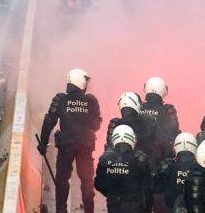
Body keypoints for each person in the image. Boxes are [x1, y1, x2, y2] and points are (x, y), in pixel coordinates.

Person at [37, 68, 103, 213]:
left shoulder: (61, 99)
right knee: (86, 179)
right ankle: (89, 210)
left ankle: (61, 210)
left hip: (66, 145)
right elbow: (96, 125)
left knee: (62, 178)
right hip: (85, 145)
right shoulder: (91, 101)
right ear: (81, 82)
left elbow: (49, 121)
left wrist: (43, 143)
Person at [94, 125, 153, 213]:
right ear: (132, 139)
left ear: (114, 139)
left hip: (113, 205)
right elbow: (147, 187)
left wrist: (112, 195)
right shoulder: (139, 158)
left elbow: (98, 184)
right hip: (135, 206)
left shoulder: (105, 158)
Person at [154, 133, 198, 213]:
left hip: (170, 208)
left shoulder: (166, 165)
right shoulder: (200, 168)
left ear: (175, 148)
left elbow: (157, 189)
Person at [140, 77, 180, 165]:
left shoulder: (138, 108)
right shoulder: (168, 110)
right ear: (163, 90)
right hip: (160, 158)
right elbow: (174, 134)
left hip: (138, 157)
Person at [106, 92, 157, 159]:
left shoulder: (115, 124)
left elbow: (110, 150)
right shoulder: (148, 121)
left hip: (122, 164)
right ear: (137, 104)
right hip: (146, 165)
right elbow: (161, 144)